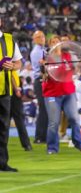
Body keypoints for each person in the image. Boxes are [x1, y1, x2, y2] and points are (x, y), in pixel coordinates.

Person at [42, 36, 81, 154]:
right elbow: (44, 76)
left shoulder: (69, 56)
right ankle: (52, 148)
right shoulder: (47, 59)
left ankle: (78, 143)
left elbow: (78, 68)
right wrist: (44, 69)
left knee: (74, 118)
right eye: (52, 42)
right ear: (50, 45)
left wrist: (80, 65)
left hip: (68, 91)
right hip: (52, 93)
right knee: (54, 122)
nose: (55, 44)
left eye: (57, 41)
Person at [0, 18, 23, 171]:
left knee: (3, 128)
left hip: (4, 91)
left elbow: (19, 62)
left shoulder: (9, 40)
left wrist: (12, 66)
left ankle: (2, 163)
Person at [29, 29, 47, 144]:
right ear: (34, 39)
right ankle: (39, 136)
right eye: (39, 37)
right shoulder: (37, 51)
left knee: (45, 109)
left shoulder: (42, 50)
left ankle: (43, 135)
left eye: (43, 36)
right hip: (40, 80)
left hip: (42, 80)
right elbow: (41, 68)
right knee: (43, 108)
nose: (42, 39)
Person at [10, 70, 31, 151]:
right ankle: (26, 145)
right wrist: (16, 89)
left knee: (6, 122)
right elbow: (12, 75)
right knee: (19, 120)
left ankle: (26, 144)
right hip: (11, 93)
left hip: (9, 93)